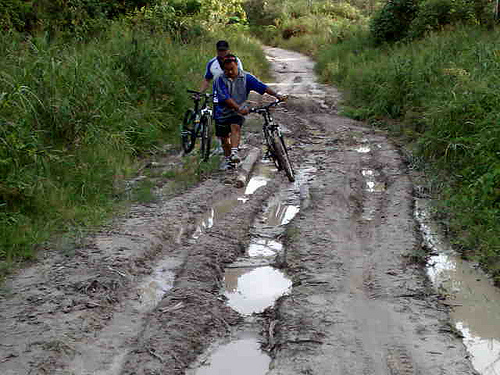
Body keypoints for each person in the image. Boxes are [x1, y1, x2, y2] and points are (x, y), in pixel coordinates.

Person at [213, 54, 286, 169]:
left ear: (237, 65)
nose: (230, 72)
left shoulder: (246, 77)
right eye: (227, 70)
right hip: (221, 111)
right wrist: (239, 108)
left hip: (238, 110)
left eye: (232, 69)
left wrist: (277, 95)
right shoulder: (219, 80)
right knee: (224, 139)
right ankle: (229, 159)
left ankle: (234, 153)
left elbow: (262, 87)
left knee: (235, 127)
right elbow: (226, 98)